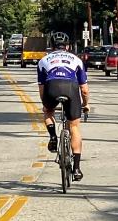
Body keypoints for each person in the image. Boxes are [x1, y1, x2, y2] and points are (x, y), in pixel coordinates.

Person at [38, 38, 90, 181]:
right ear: (67, 46)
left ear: (52, 46)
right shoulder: (76, 59)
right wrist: (86, 104)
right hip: (71, 89)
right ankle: (77, 168)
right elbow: (84, 90)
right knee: (74, 127)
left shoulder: (43, 60)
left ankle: (53, 137)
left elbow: (41, 88)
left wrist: (46, 105)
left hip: (52, 88)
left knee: (48, 112)